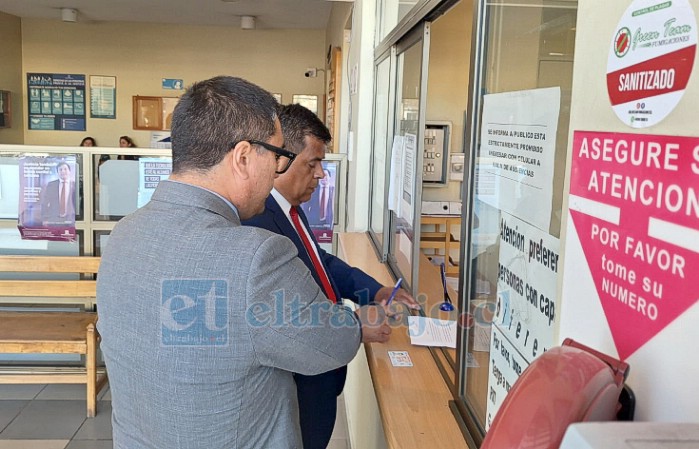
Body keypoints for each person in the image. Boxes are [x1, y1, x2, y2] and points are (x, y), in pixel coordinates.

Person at [96, 76, 390, 449]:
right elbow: (327, 345)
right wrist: (353, 319)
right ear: (243, 156)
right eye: (280, 156)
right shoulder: (256, 257)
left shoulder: (123, 235)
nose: (278, 171)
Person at [243, 103, 418, 449]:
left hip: (321, 378)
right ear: (282, 160)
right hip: (297, 388)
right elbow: (285, 317)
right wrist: (354, 323)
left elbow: (318, 261)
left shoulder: (290, 210)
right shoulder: (258, 223)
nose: (322, 174)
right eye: (313, 163)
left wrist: (375, 291)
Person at [40, 161, 75, 225]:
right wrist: (45, 219)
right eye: (60, 170)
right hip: (54, 219)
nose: (63, 171)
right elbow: (45, 202)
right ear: (57, 172)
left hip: (71, 219)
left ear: (69, 171)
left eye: (65, 169)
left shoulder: (75, 185)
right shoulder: (51, 185)